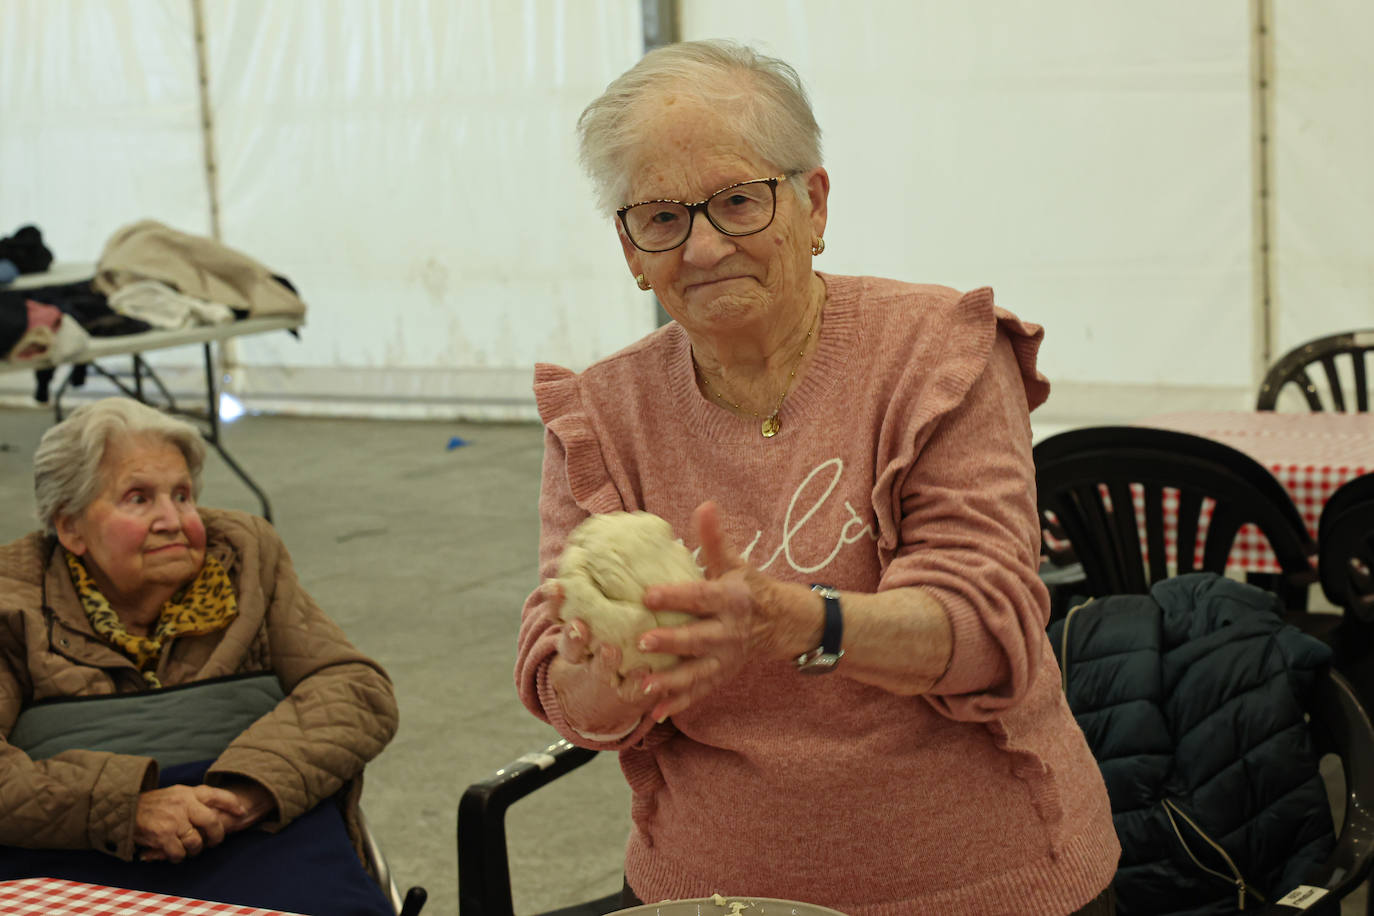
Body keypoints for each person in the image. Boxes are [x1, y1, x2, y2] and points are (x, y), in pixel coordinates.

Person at [515, 40, 1120, 915]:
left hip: (985, 886)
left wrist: (790, 620)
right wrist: (603, 666)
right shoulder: (605, 414)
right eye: (661, 218)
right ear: (630, 249)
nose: (705, 246)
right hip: (711, 895)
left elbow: (988, 631)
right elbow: (575, 699)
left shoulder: (934, 354)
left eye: (737, 201)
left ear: (814, 203)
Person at [0, 398, 397, 895]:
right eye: (138, 498)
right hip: (76, 850)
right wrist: (127, 810)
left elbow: (353, 689)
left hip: (249, 824)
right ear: (70, 527)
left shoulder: (245, 557)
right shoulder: (12, 597)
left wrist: (247, 791)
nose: (173, 518)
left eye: (182, 495)